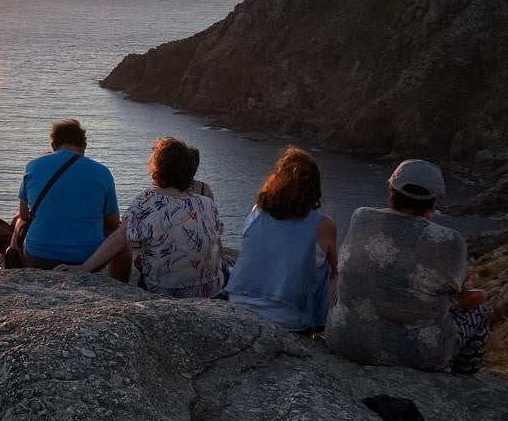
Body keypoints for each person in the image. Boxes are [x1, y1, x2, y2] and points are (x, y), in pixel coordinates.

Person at [325, 160, 489, 374]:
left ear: (392, 189)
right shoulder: (449, 241)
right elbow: (460, 296)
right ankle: (461, 381)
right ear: (434, 200)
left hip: (344, 340)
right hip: (416, 356)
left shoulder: (362, 217)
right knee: (479, 313)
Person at [57, 136, 223, 297]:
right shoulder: (207, 203)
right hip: (209, 289)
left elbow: (119, 240)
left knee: (140, 259)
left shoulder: (147, 200)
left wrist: (85, 267)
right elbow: (214, 243)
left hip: (163, 290)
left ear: (157, 167)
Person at [224, 147, 338, 331]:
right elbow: (334, 269)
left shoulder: (257, 211)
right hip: (288, 317)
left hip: (239, 302)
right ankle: (325, 326)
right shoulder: (324, 224)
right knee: (332, 270)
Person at [14, 119, 129, 279]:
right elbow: (112, 224)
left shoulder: (32, 166)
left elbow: (24, 215)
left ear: (53, 145)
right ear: (84, 146)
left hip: (38, 257)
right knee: (121, 237)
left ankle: (13, 256)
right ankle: (119, 288)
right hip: (86, 258)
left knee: (22, 219)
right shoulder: (102, 172)